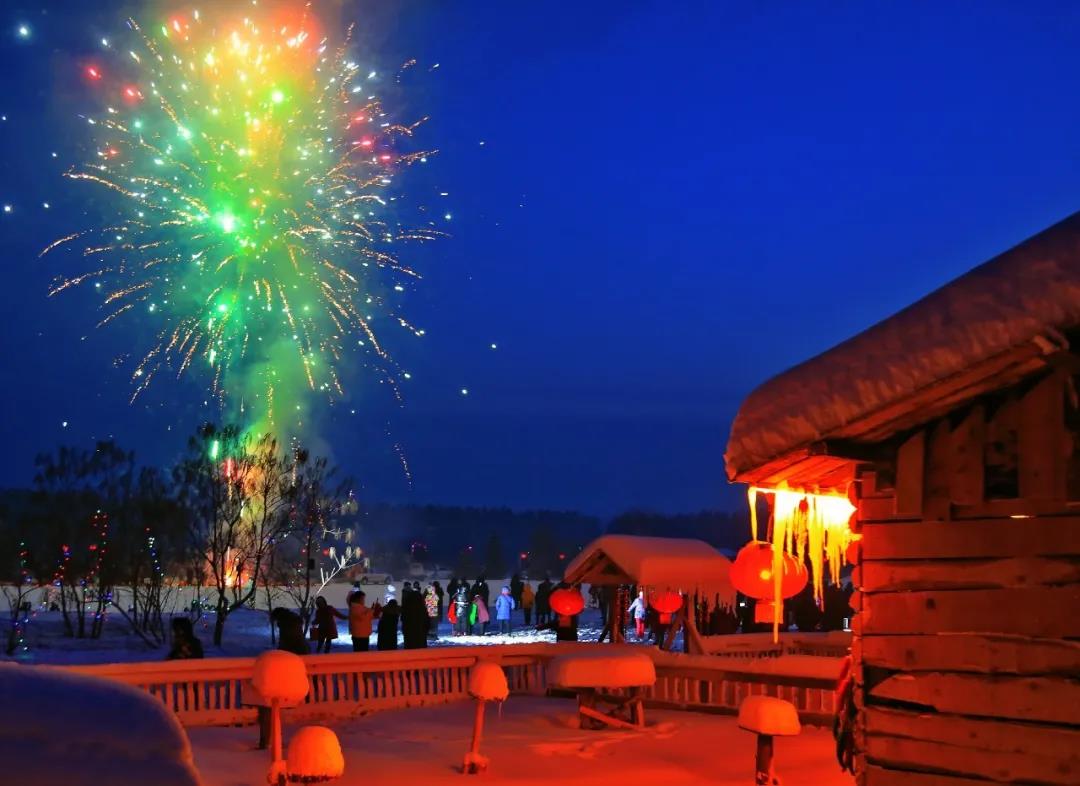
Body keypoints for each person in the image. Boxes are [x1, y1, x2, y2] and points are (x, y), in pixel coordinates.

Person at [257, 608, 309, 749]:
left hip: (294, 655)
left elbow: (288, 641)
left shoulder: (288, 625)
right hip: (299, 652)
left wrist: (282, 652)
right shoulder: (293, 622)